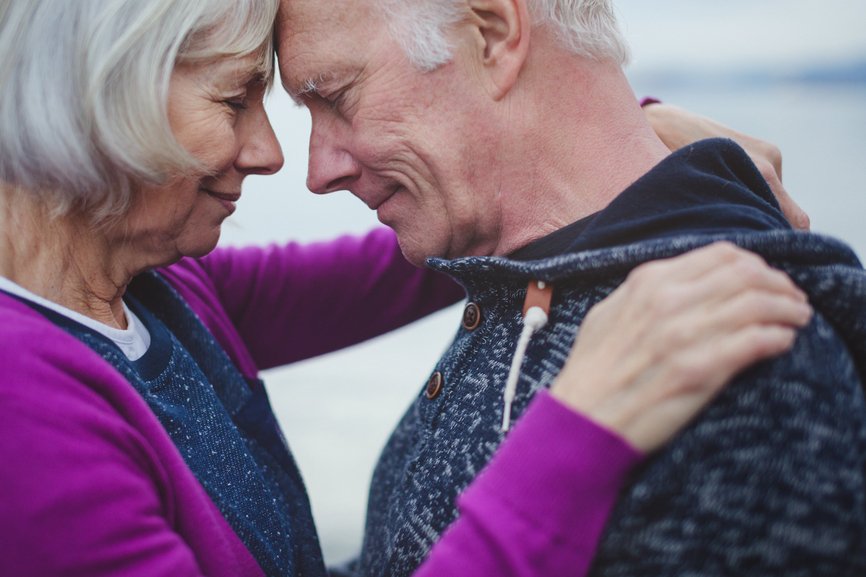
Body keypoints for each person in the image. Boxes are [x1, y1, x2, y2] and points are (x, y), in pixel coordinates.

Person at [0, 1, 811, 577]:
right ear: (96, 90)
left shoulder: (163, 293)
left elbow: (423, 244)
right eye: (232, 98)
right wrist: (578, 435)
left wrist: (636, 136)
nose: (273, 154)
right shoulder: (21, 402)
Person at [275, 0, 866, 575]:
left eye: (335, 97)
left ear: (492, 34)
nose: (317, 171)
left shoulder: (729, 353)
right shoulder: (523, 274)